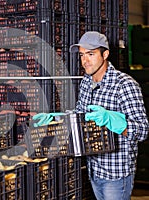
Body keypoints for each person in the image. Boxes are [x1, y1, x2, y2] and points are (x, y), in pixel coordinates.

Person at [33, 31, 149, 200]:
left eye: (91, 54)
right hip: (94, 168)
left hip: (116, 173)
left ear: (105, 54)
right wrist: (55, 118)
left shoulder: (125, 85)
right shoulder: (86, 82)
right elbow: (80, 116)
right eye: (82, 55)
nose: (85, 61)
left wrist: (113, 120)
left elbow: (143, 130)